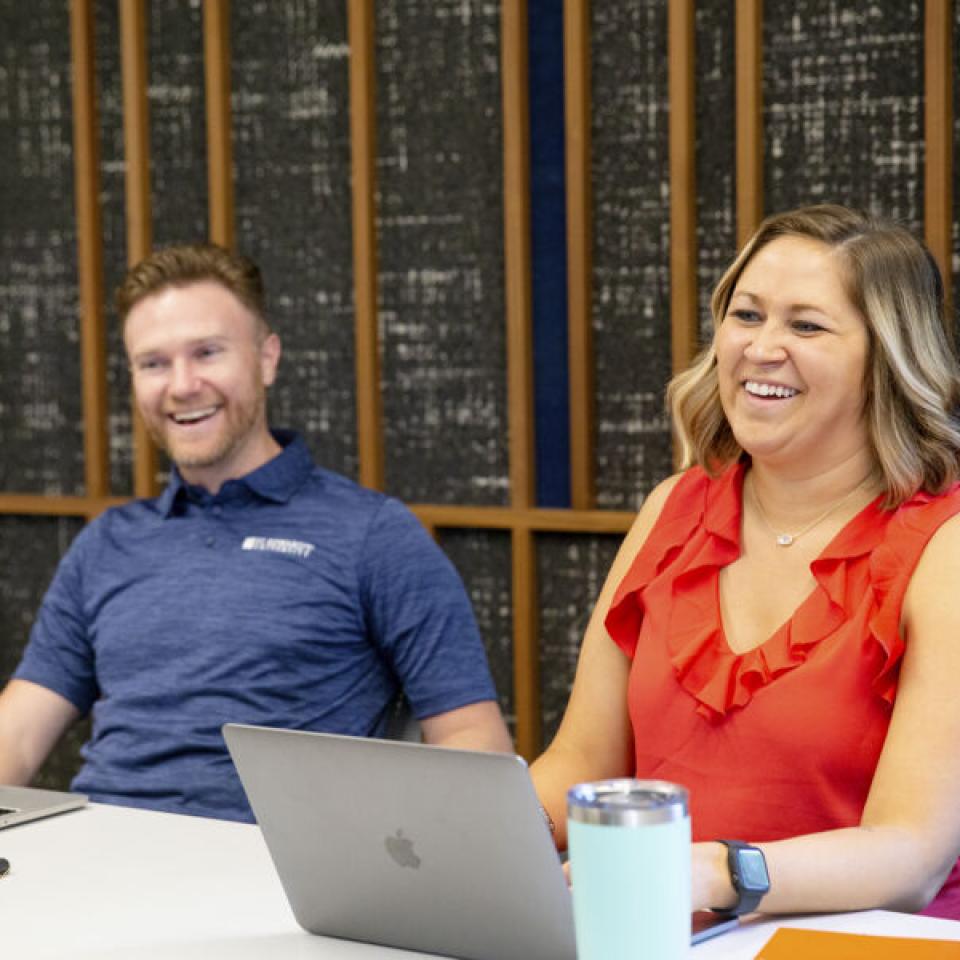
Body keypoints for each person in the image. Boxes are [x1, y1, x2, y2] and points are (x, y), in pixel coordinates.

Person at [531, 204, 960, 919]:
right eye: (747, 315)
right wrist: (466, 837)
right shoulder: (673, 507)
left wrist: (721, 876)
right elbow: (580, 764)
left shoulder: (943, 545)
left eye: (806, 325)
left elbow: (909, 852)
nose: (761, 348)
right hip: (669, 931)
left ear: (885, 357)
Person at [0, 243, 513, 822]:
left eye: (208, 353)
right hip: (100, 859)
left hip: (281, 884)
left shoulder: (374, 535)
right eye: (154, 363)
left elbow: (475, 742)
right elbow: (17, 735)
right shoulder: (106, 544)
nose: (182, 384)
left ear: (267, 358)